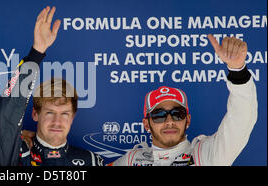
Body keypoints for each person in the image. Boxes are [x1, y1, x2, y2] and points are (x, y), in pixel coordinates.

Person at [109, 35, 257, 166]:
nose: (169, 121)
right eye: (159, 115)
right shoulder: (131, 160)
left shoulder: (207, 155)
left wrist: (238, 71)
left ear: (187, 120)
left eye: (177, 113)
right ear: (147, 123)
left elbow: (240, 120)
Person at [0, 6, 103, 166]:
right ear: (35, 114)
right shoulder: (17, 153)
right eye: (50, 112)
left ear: (73, 117)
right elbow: (7, 117)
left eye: (64, 114)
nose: (57, 122)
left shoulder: (90, 161)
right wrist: (37, 52)